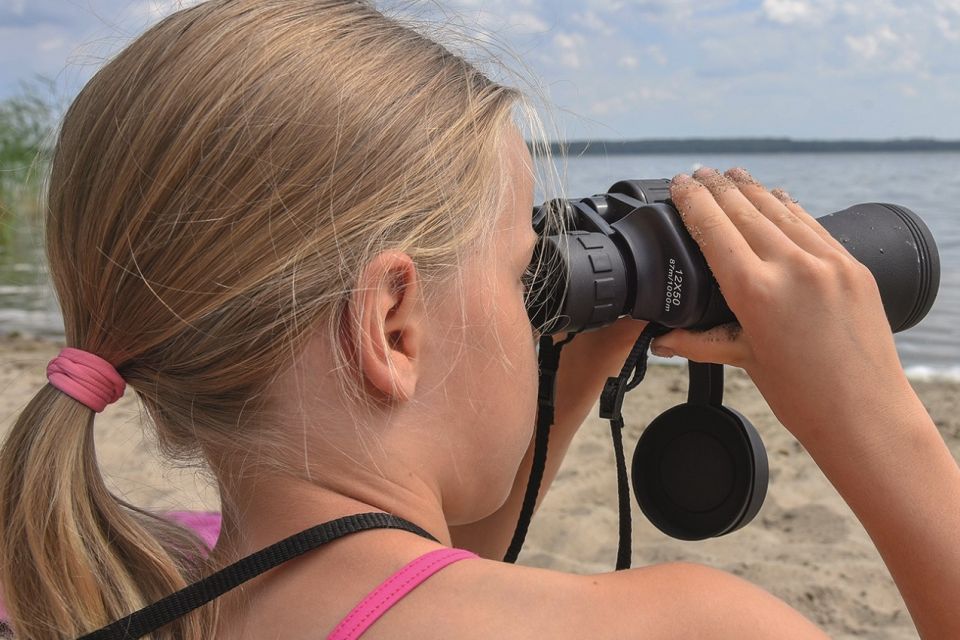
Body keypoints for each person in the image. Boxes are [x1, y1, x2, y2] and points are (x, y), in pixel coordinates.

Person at [1, 1, 958, 638]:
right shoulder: (699, 626)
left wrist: (573, 365)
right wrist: (873, 419)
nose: (539, 293)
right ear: (393, 326)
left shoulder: (122, 573)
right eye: (519, 271)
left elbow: (422, 585)